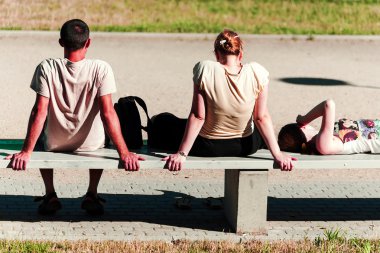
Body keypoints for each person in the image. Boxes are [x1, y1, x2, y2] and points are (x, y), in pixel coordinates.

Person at [5, 19, 144, 215]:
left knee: (38, 140)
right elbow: (108, 113)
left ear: (61, 42)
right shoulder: (101, 68)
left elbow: (39, 111)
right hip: (91, 144)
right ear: (88, 42)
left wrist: (26, 152)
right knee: (103, 136)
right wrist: (124, 153)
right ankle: (92, 193)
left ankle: (50, 194)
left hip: (54, 143)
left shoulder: (47, 67)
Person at [163, 29, 296, 171]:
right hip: (246, 146)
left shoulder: (205, 69)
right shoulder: (257, 72)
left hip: (209, 147)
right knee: (256, 125)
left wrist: (182, 154)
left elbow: (198, 116)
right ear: (241, 54)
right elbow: (261, 117)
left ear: (216, 53)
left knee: (164, 120)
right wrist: (277, 154)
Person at [278, 99, 380, 155]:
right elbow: (328, 105)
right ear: (302, 127)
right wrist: (304, 119)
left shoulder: (323, 139)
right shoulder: (322, 145)